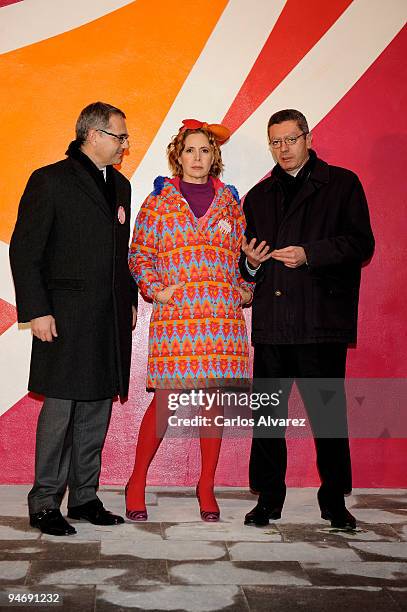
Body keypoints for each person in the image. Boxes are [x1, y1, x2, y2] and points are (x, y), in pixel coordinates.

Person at [240, 109, 374, 529]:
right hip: (273, 323)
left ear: (308, 138)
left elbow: (360, 243)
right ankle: (268, 499)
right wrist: (252, 265)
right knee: (266, 419)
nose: (283, 149)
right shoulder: (258, 196)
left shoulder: (342, 183)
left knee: (328, 419)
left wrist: (309, 254)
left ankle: (334, 501)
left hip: (320, 322)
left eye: (290, 140)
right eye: (276, 142)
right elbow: (244, 267)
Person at [9, 102, 138, 536]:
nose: (125, 144)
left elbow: (121, 256)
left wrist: (130, 299)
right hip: (62, 317)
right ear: (94, 135)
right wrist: (37, 310)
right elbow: (24, 251)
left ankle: (84, 497)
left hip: (108, 319)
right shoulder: (50, 180)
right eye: (120, 136)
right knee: (61, 412)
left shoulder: (121, 186)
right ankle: (45, 502)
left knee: (97, 408)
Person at [127, 119, 253, 521]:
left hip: (220, 320)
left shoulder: (232, 203)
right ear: (177, 156)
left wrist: (244, 288)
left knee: (213, 404)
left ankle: (206, 485)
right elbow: (139, 254)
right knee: (165, 402)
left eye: (204, 150)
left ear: (214, 156)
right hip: (177, 319)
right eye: (190, 151)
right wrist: (156, 289)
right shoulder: (159, 202)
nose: (197, 158)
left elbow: (240, 260)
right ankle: (136, 482)